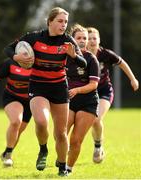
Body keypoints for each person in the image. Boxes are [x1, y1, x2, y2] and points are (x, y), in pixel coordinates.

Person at [3, 7, 87, 176]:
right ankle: (43, 150)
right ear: (50, 21)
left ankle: (62, 167)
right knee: (41, 122)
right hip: (38, 85)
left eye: (65, 22)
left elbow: (83, 64)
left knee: (61, 132)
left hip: (59, 88)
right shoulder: (34, 37)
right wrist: (17, 57)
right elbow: (8, 49)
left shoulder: (68, 41)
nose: (63, 25)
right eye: (60, 21)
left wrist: (74, 56)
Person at [87, 27, 139, 163]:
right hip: (87, 93)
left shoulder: (105, 54)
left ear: (99, 40)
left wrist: (133, 79)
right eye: (89, 38)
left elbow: (122, 63)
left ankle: (98, 147)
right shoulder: (81, 55)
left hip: (104, 91)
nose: (92, 41)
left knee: (96, 119)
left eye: (94, 38)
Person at [59, 24, 99, 173]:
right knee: (60, 134)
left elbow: (93, 85)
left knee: (76, 140)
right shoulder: (64, 57)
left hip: (87, 101)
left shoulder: (91, 59)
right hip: (68, 101)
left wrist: (77, 90)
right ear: (72, 40)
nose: (82, 40)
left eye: (85, 38)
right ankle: (61, 158)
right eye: (79, 38)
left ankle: (68, 169)